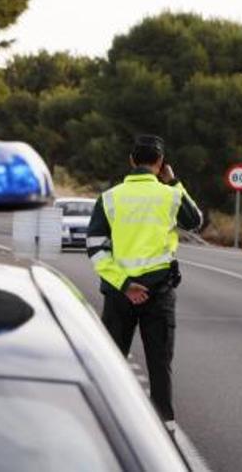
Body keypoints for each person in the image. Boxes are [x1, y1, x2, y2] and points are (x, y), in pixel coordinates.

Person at [86, 134, 203, 428]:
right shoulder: (171, 195)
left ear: (131, 161)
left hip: (119, 295)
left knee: (111, 363)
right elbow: (195, 221)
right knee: (159, 365)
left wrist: (124, 284)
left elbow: (95, 247)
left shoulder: (110, 198)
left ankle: (108, 424)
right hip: (159, 294)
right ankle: (164, 427)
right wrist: (174, 182)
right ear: (161, 163)